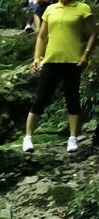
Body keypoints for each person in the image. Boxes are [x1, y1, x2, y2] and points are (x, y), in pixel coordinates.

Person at [22, 0, 97, 153]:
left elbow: (94, 33)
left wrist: (86, 55)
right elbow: (42, 36)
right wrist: (37, 57)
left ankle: (73, 139)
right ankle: (28, 137)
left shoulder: (82, 8)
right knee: (40, 98)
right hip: (51, 60)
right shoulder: (50, 9)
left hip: (72, 61)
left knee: (72, 99)